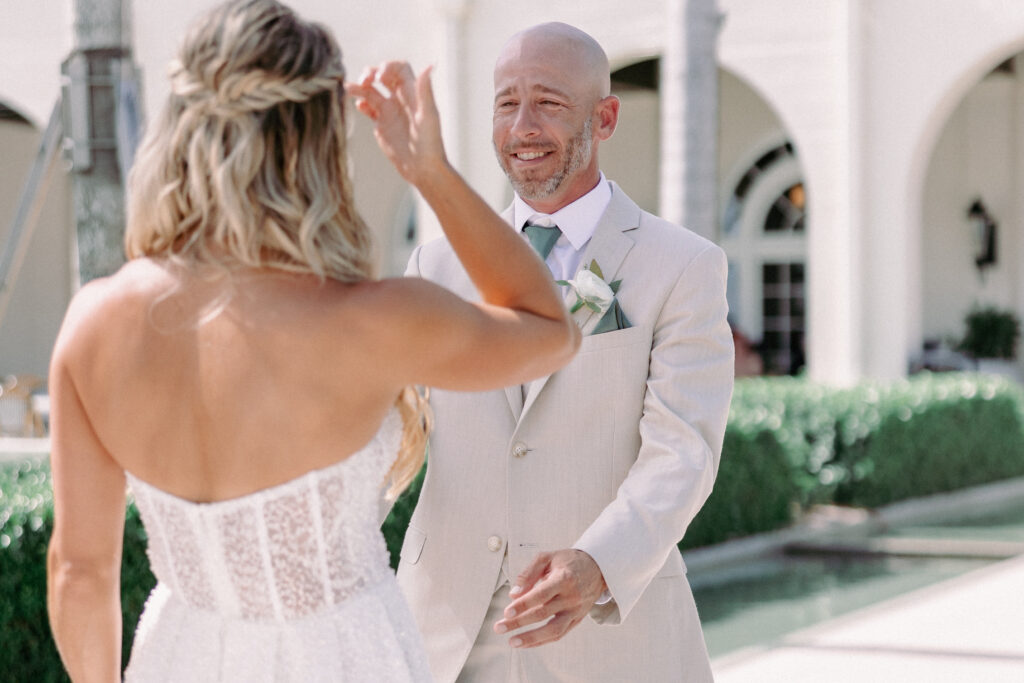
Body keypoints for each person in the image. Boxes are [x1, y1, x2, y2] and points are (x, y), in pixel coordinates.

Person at [45, 1, 579, 680]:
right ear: (317, 141)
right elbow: (548, 330)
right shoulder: (373, 320)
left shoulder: (94, 322)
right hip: (345, 659)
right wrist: (431, 173)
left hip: (179, 657)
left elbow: (79, 573)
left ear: (180, 126)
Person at [398, 22, 734, 682]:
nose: (523, 127)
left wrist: (599, 563)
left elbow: (684, 449)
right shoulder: (433, 264)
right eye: (506, 102)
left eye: (548, 102)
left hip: (612, 640)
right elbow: (393, 436)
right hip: (441, 639)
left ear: (604, 117)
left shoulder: (684, 265)